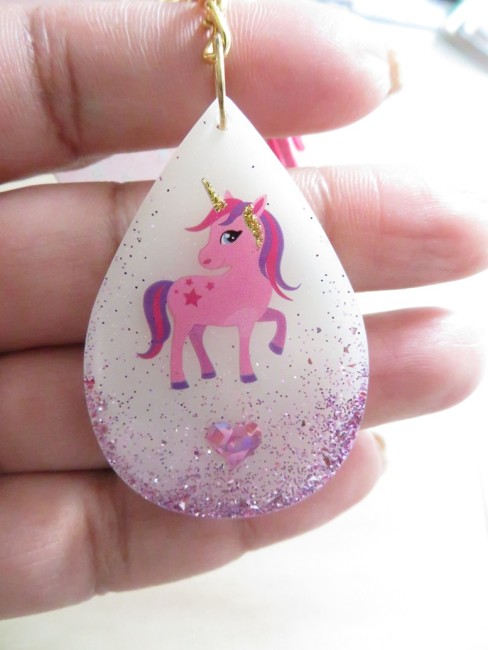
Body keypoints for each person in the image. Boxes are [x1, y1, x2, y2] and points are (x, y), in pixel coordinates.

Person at [0, 0, 486, 619]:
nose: (214, 247)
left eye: (226, 237)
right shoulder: (205, 242)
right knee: (190, 334)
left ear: (250, 233)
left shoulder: (259, 236)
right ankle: (187, 361)